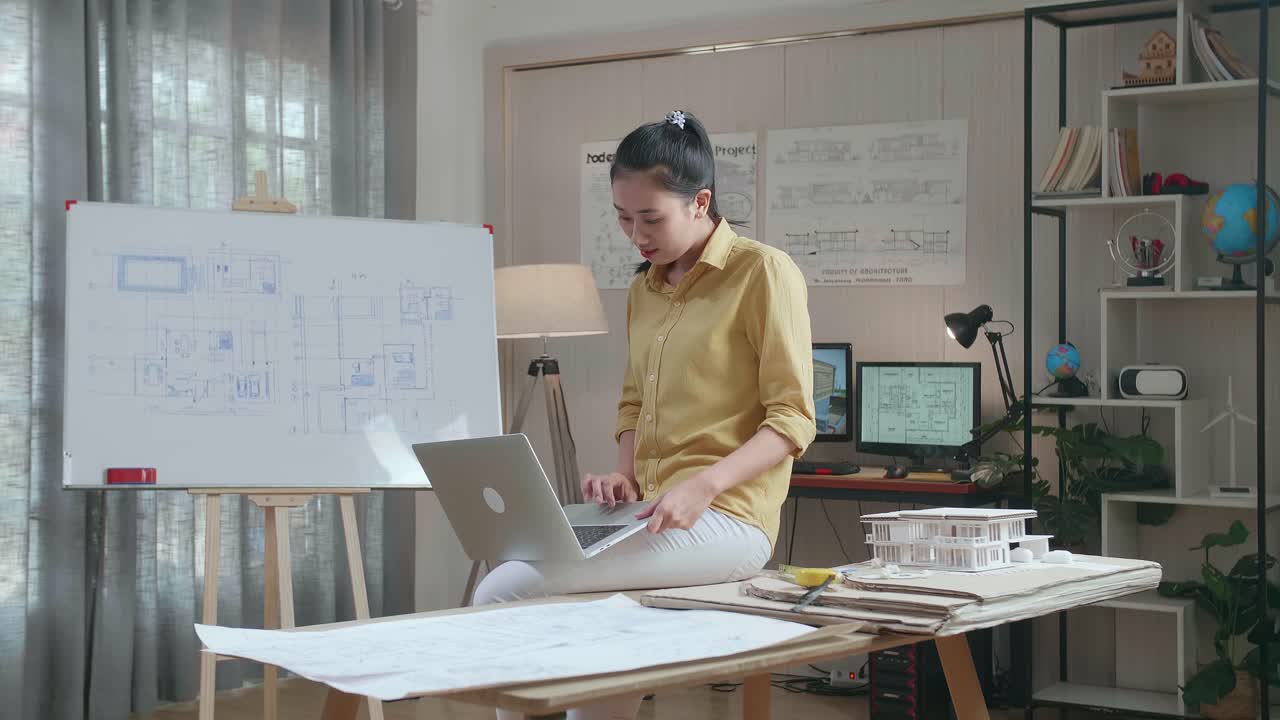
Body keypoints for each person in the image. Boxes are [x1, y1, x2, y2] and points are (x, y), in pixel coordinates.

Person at [472, 110, 816, 720]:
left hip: (728, 520)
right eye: (624, 219)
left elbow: (792, 419)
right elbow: (634, 401)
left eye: (651, 218)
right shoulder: (644, 288)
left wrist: (702, 486)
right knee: (598, 664)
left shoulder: (762, 273)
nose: (636, 234)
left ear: (700, 201)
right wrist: (625, 473)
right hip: (647, 514)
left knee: (506, 586)